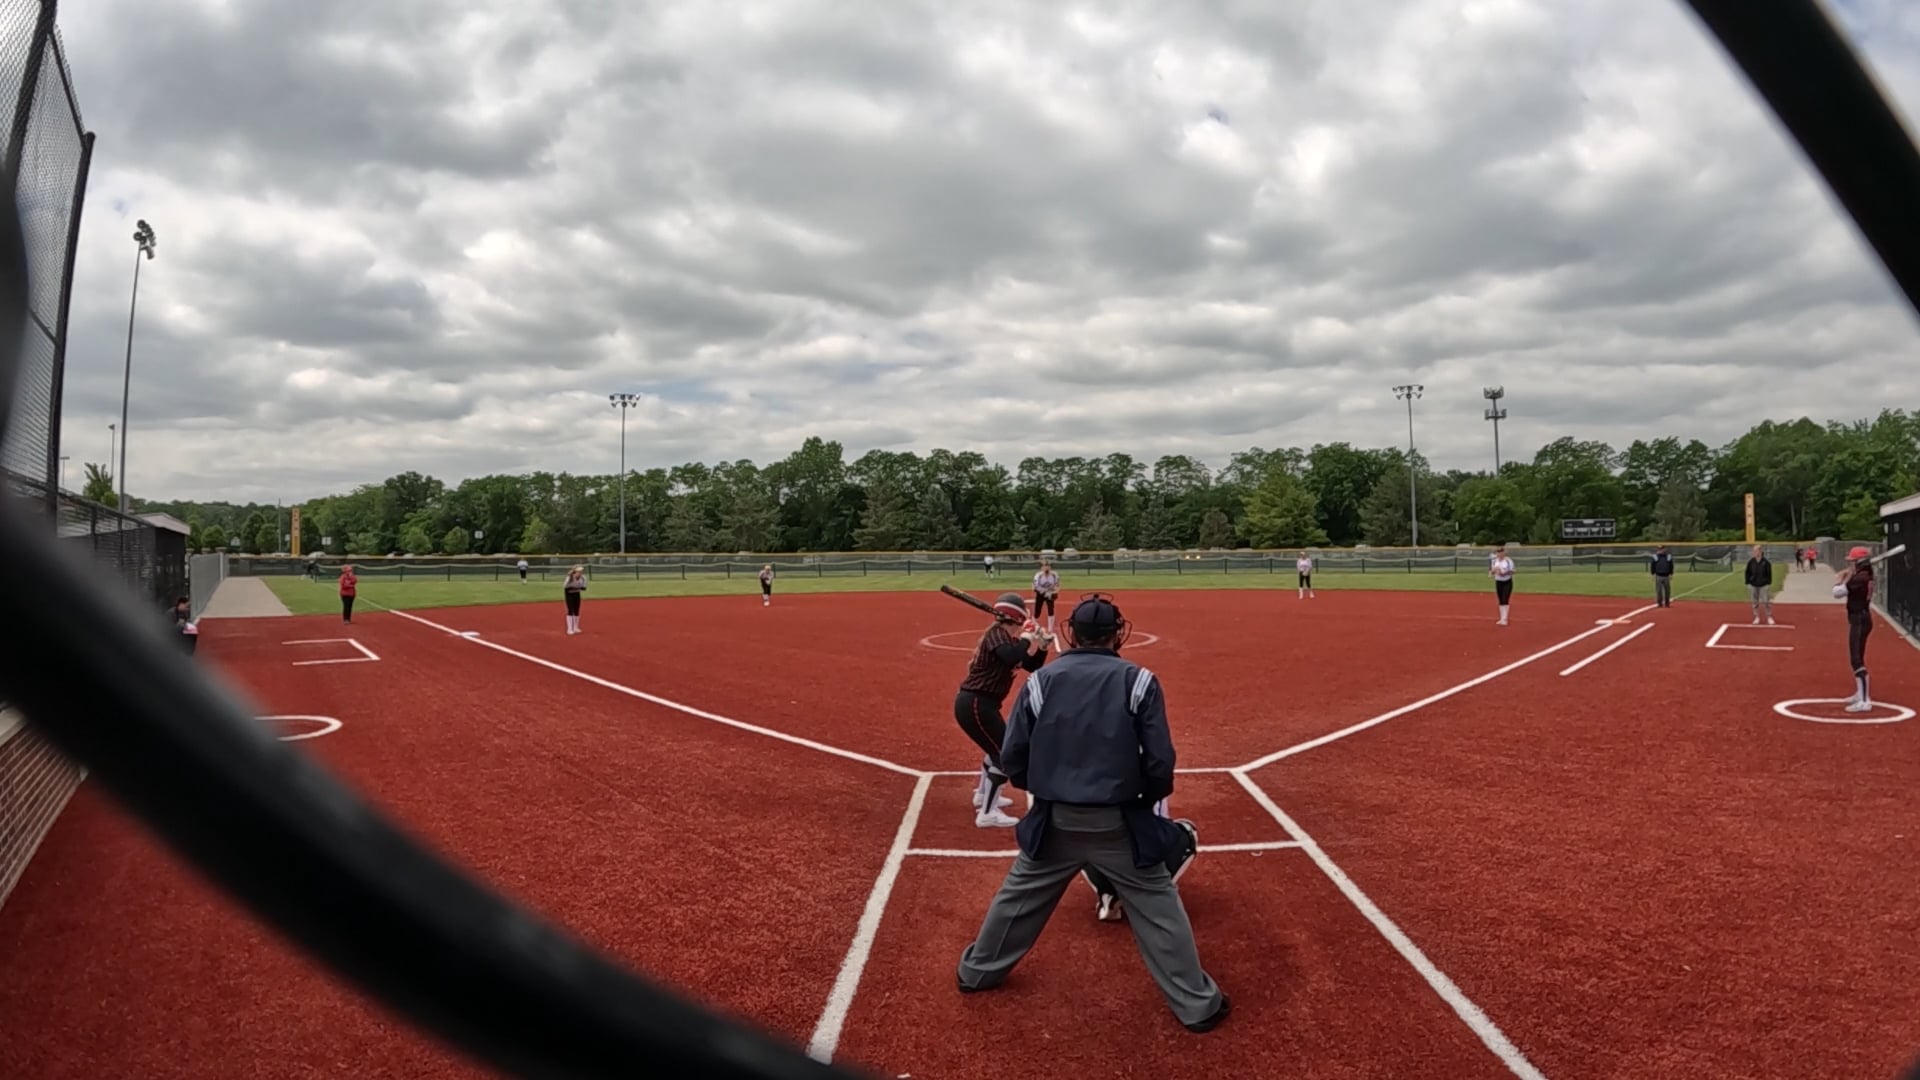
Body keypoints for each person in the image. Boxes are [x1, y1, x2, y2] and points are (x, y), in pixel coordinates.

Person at [955, 594, 1229, 1034]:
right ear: (1116, 635)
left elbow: (1014, 756)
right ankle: (1198, 1005)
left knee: (1018, 896)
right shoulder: (1139, 681)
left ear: (1073, 634)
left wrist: (1046, 791)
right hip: (1119, 821)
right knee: (1159, 905)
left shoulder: (1041, 682)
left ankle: (977, 972)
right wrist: (1140, 803)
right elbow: (1160, 763)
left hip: (1054, 820)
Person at [953, 592, 1051, 827]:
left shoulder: (1009, 641)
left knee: (996, 749)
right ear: (1017, 618)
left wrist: (1042, 646)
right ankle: (987, 813)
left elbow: (1031, 665)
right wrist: (1027, 636)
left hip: (981, 705)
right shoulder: (997, 635)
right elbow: (1010, 657)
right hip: (976, 703)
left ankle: (982, 795)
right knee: (1004, 754)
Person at [1836, 547, 1875, 713]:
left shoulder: (1860, 578)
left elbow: (1837, 592)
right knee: (1857, 657)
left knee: (1856, 660)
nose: (1850, 563)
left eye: (1853, 561)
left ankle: (1865, 701)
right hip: (1861, 618)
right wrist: (1849, 574)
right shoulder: (1864, 575)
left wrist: (1843, 578)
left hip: (1859, 619)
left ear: (1859, 562)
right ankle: (1860, 694)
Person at [1745, 545, 1775, 625]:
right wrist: (1748, 583)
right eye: (1753, 551)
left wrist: (1768, 583)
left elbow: (1769, 574)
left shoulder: (1766, 562)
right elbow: (1747, 572)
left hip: (1764, 585)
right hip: (1753, 584)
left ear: (1760, 551)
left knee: (1766, 601)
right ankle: (1756, 617)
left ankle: (1769, 616)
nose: (1754, 552)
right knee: (1754, 602)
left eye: (1755, 551)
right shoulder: (1751, 562)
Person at [1489, 544, 1515, 625]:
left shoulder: (1508, 561)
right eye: (1498, 552)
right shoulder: (1494, 561)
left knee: (1505, 599)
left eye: (1501, 552)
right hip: (1498, 582)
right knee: (1500, 600)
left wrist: (1503, 573)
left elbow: (1513, 571)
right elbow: (1491, 572)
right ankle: (1501, 618)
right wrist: (1493, 571)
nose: (1499, 554)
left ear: (1504, 553)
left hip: (1507, 582)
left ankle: (1505, 619)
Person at [1032, 559, 1060, 634]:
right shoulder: (1038, 575)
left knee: (1051, 609)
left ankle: (1050, 629)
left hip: (1050, 593)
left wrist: (1054, 592)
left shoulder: (1054, 575)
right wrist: (1044, 592)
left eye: (1048, 566)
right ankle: (1034, 623)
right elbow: (1035, 587)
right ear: (1041, 568)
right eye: (1045, 566)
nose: (1046, 567)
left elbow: (1057, 585)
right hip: (1040, 593)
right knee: (1037, 611)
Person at [563, 565, 588, 635]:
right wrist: (575, 587)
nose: (580, 572)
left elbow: (584, 587)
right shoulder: (570, 577)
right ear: (575, 571)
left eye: (581, 571)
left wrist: (577, 588)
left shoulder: (583, 578)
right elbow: (565, 586)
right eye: (578, 571)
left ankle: (575, 627)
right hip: (569, 594)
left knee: (576, 610)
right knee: (570, 610)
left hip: (576, 594)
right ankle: (569, 629)